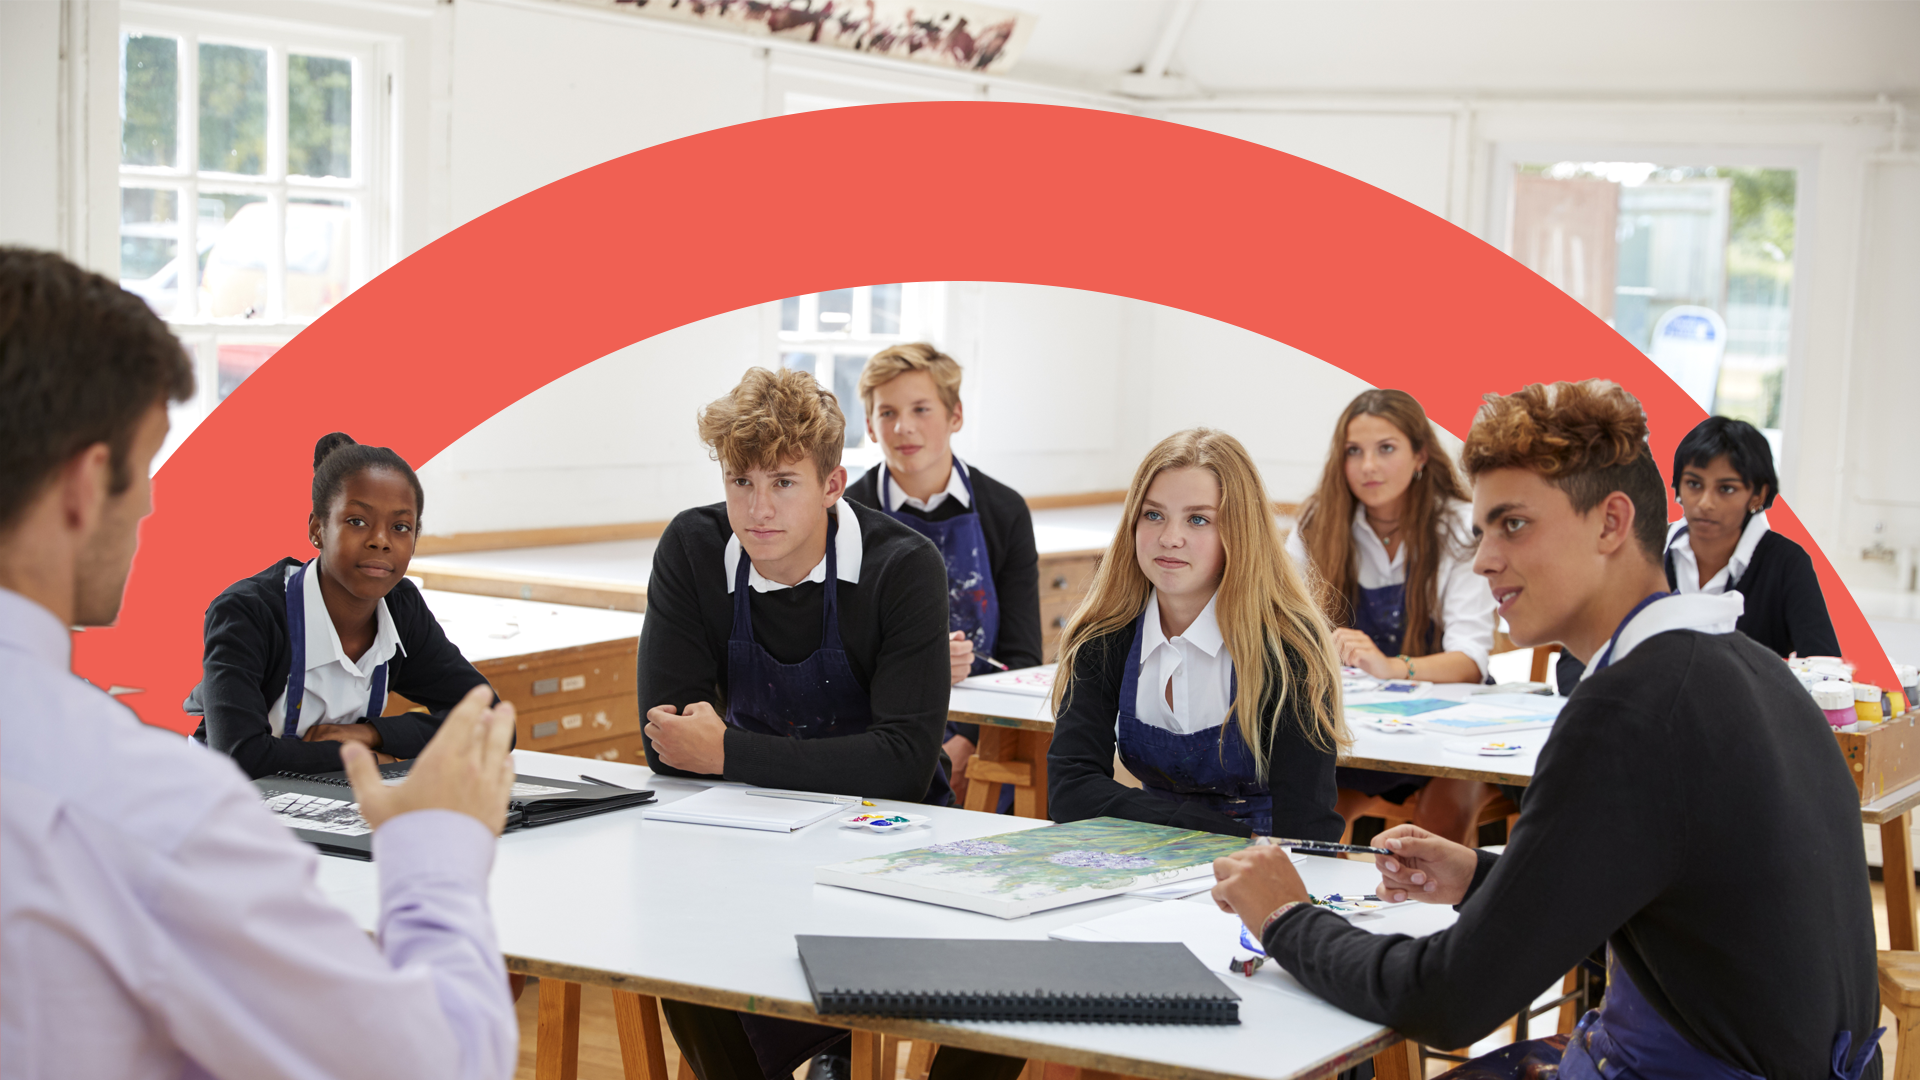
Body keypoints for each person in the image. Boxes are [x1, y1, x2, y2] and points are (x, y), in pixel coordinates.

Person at [1212, 380, 1883, 1080]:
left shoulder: (1629, 709)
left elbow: (1448, 999)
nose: (1483, 559)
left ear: (1611, 523)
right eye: (1482, 531)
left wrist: (1286, 917)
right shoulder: (1749, 668)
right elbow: (1675, 907)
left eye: (1513, 524)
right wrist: (1485, 877)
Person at [0, 246, 520, 1079]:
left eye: (402, 527)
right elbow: (438, 1062)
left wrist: (371, 737)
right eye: (148, 468)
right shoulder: (147, 812)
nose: (150, 504)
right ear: (86, 485)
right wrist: (436, 848)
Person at [637, 366, 1015, 1080]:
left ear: (833, 485)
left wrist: (728, 751)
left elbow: (903, 764)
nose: (758, 509)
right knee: (681, 968)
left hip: (891, 838)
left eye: (783, 482)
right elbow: (669, 744)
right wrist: (730, 757)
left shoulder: (903, 566)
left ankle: (839, 1047)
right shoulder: (693, 548)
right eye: (740, 482)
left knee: (1006, 992)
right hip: (750, 829)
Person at [1046, 427, 1345, 840]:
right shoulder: (1104, 635)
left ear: (1238, 532)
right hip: (1148, 851)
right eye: (1153, 515)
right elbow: (1070, 790)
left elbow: (1307, 824)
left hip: (1263, 859)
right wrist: (1205, 830)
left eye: (1198, 519)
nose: (1170, 538)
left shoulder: (1287, 645)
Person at [188, 432, 493, 779]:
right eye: (357, 521)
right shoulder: (247, 613)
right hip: (219, 793)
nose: (381, 541)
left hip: (329, 794)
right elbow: (239, 755)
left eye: (400, 527)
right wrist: (365, 758)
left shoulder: (401, 608)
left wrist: (371, 734)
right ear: (317, 529)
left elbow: (490, 718)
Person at [1287, 389, 1499, 844]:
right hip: (1357, 727)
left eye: (1385, 449)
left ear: (1420, 455)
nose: (1368, 466)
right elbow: (1286, 628)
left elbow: (1470, 661)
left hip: (1451, 721)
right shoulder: (1318, 524)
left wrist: (1388, 666)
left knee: (1436, 825)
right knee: (1308, 818)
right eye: (1354, 451)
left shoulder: (1461, 527)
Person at [844, 343, 1041, 804]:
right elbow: (838, 657)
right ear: (869, 426)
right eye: (887, 413)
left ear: (956, 415)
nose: (903, 427)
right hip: (877, 739)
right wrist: (921, 666)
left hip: (988, 739)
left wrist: (969, 742)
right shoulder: (844, 516)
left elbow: (1022, 656)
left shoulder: (1004, 510)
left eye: (921, 409)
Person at [1558, 415, 1839, 689]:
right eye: (1694, 484)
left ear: (1758, 495)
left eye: (1726, 489)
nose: (1705, 502)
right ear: (1678, 486)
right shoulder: (1644, 547)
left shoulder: (1787, 562)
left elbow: (1826, 671)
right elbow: (1575, 658)